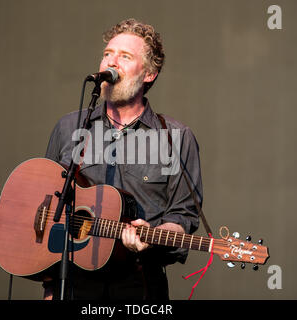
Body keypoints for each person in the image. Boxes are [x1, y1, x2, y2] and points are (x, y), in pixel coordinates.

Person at [42, 18, 203, 300]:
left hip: (139, 282)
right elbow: (45, 201)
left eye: (125, 56)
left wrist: (153, 233)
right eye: (107, 54)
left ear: (149, 73)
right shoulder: (69, 127)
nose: (111, 63)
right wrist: (49, 287)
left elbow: (183, 215)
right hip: (72, 280)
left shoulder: (176, 137)